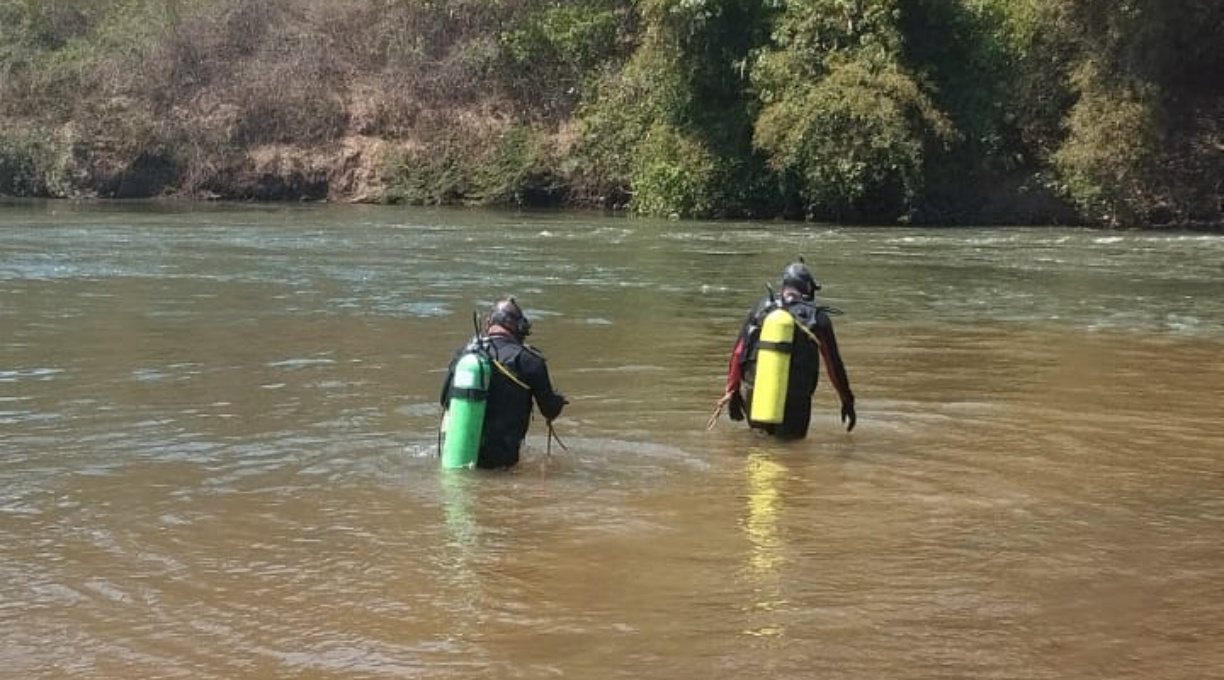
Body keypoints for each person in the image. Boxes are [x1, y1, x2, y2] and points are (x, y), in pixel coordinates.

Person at [714, 261, 856, 438]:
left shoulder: (761, 309)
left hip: (759, 393)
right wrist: (847, 400)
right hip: (795, 400)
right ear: (807, 288)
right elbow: (833, 365)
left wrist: (732, 392)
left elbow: (738, 353)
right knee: (792, 452)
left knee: (759, 448)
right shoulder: (816, 318)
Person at [440, 297, 567, 469]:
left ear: (489, 323)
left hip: (459, 451)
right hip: (501, 460)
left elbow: (444, 399)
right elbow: (549, 409)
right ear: (518, 327)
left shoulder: (464, 355)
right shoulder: (529, 360)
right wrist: (559, 400)